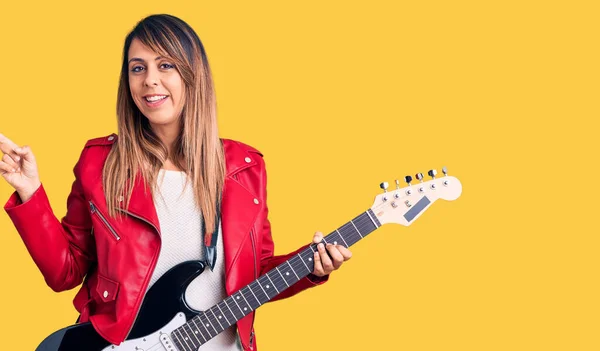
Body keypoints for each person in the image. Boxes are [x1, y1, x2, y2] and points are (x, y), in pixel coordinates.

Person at [0, 14, 352, 351]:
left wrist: (312, 267)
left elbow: (255, 274)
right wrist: (29, 191)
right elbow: (65, 273)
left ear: (192, 74)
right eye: (138, 68)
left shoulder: (245, 168)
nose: (149, 80)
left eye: (165, 65)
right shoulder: (100, 162)